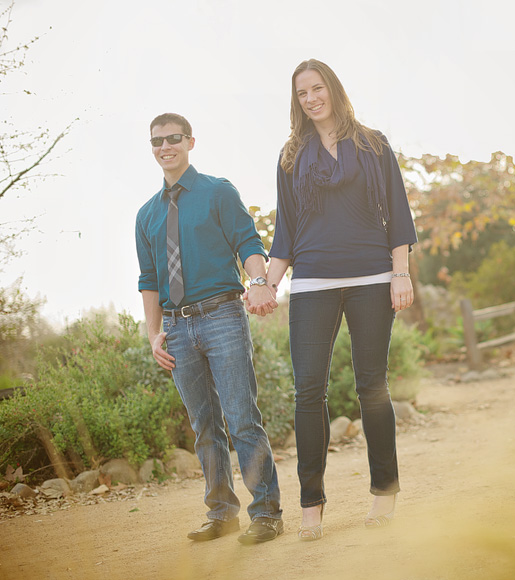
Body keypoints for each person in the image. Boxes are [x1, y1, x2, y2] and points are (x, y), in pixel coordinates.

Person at [257, 59, 417, 541]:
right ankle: (311, 505)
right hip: (311, 284)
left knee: (372, 386)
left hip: (373, 276)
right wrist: (267, 282)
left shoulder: (373, 144)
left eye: (317, 88)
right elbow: (284, 232)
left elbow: (400, 215)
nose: (310, 99)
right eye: (301, 93)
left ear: (334, 89)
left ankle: (384, 490)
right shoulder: (290, 156)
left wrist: (400, 273)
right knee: (308, 392)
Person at [135, 113, 283, 544]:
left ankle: (266, 513)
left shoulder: (218, 191)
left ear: (190, 142)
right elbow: (148, 280)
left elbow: (248, 242)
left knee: (242, 419)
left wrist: (258, 283)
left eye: (174, 138)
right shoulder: (146, 215)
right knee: (204, 426)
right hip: (177, 329)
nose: (166, 147)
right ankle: (221, 513)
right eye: (158, 141)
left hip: (222, 317)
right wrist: (153, 334)